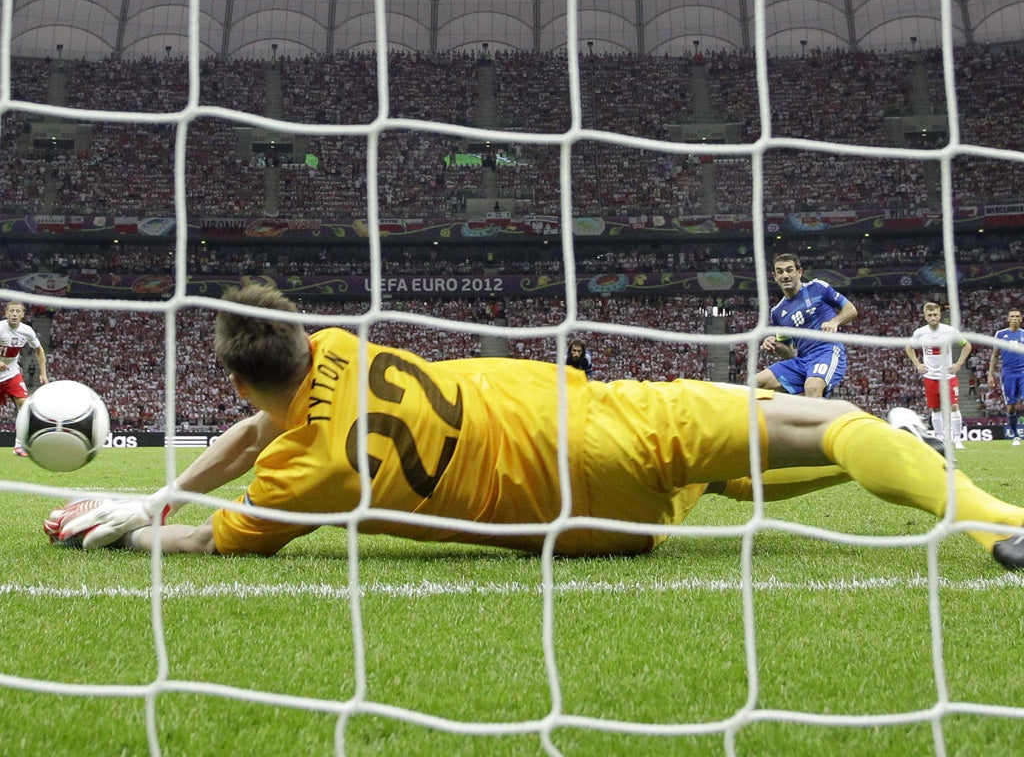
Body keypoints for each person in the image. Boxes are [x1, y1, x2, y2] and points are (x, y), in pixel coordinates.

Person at [47, 284, 1024, 572]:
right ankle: (990, 518)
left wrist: (137, 520)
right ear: (301, 337)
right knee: (835, 422)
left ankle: (909, 459)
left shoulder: (300, 476)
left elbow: (222, 522)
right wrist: (158, 501)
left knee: (733, 478)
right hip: (608, 425)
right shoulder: (339, 345)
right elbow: (254, 431)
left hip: (598, 528)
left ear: (238, 380)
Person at [755, 254, 858, 398]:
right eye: (780, 272)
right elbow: (789, 353)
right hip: (801, 362)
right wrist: (776, 345)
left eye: (789, 270)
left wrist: (835, 321)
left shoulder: (817, 287)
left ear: (799, 272)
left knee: (812, 386)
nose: (785, 275)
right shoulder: (777, 313)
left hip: (827, 351)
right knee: (755, 383)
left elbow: (851, 310)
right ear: (774, 276)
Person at [904, 301, 971, 450]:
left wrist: (959, 364)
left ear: (940, 315)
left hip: (948, 376)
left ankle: (957, 439)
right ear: (925, 317)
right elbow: (909, 347)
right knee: (935, 409)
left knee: (954, 406)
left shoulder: (949, 331)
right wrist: (917, 364)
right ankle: (940, 439)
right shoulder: (920, 333)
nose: (933, 317)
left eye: (935, 314)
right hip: (930, 377)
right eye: (930, 315)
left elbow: (967, 345)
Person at [0, 300, 49, 456]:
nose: (14, 314)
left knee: (25, 407)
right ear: (6, 313)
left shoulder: (27, 331)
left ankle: (19, 446)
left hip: (11, 373)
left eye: (17, 311)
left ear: (23, 315)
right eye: (11, 311)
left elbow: (39, 350)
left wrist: (43, 373)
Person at [987, 309, 1024, 446]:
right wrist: (990, 374)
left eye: (1017, 316)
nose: (1015, 318)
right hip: (1008, 374)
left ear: (1021, 319)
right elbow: (995, 355)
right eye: (1012, 316)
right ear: (1008, 319)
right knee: (1011, 408)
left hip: (1023, 372)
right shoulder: (1001, 334)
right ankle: (1015, 435)